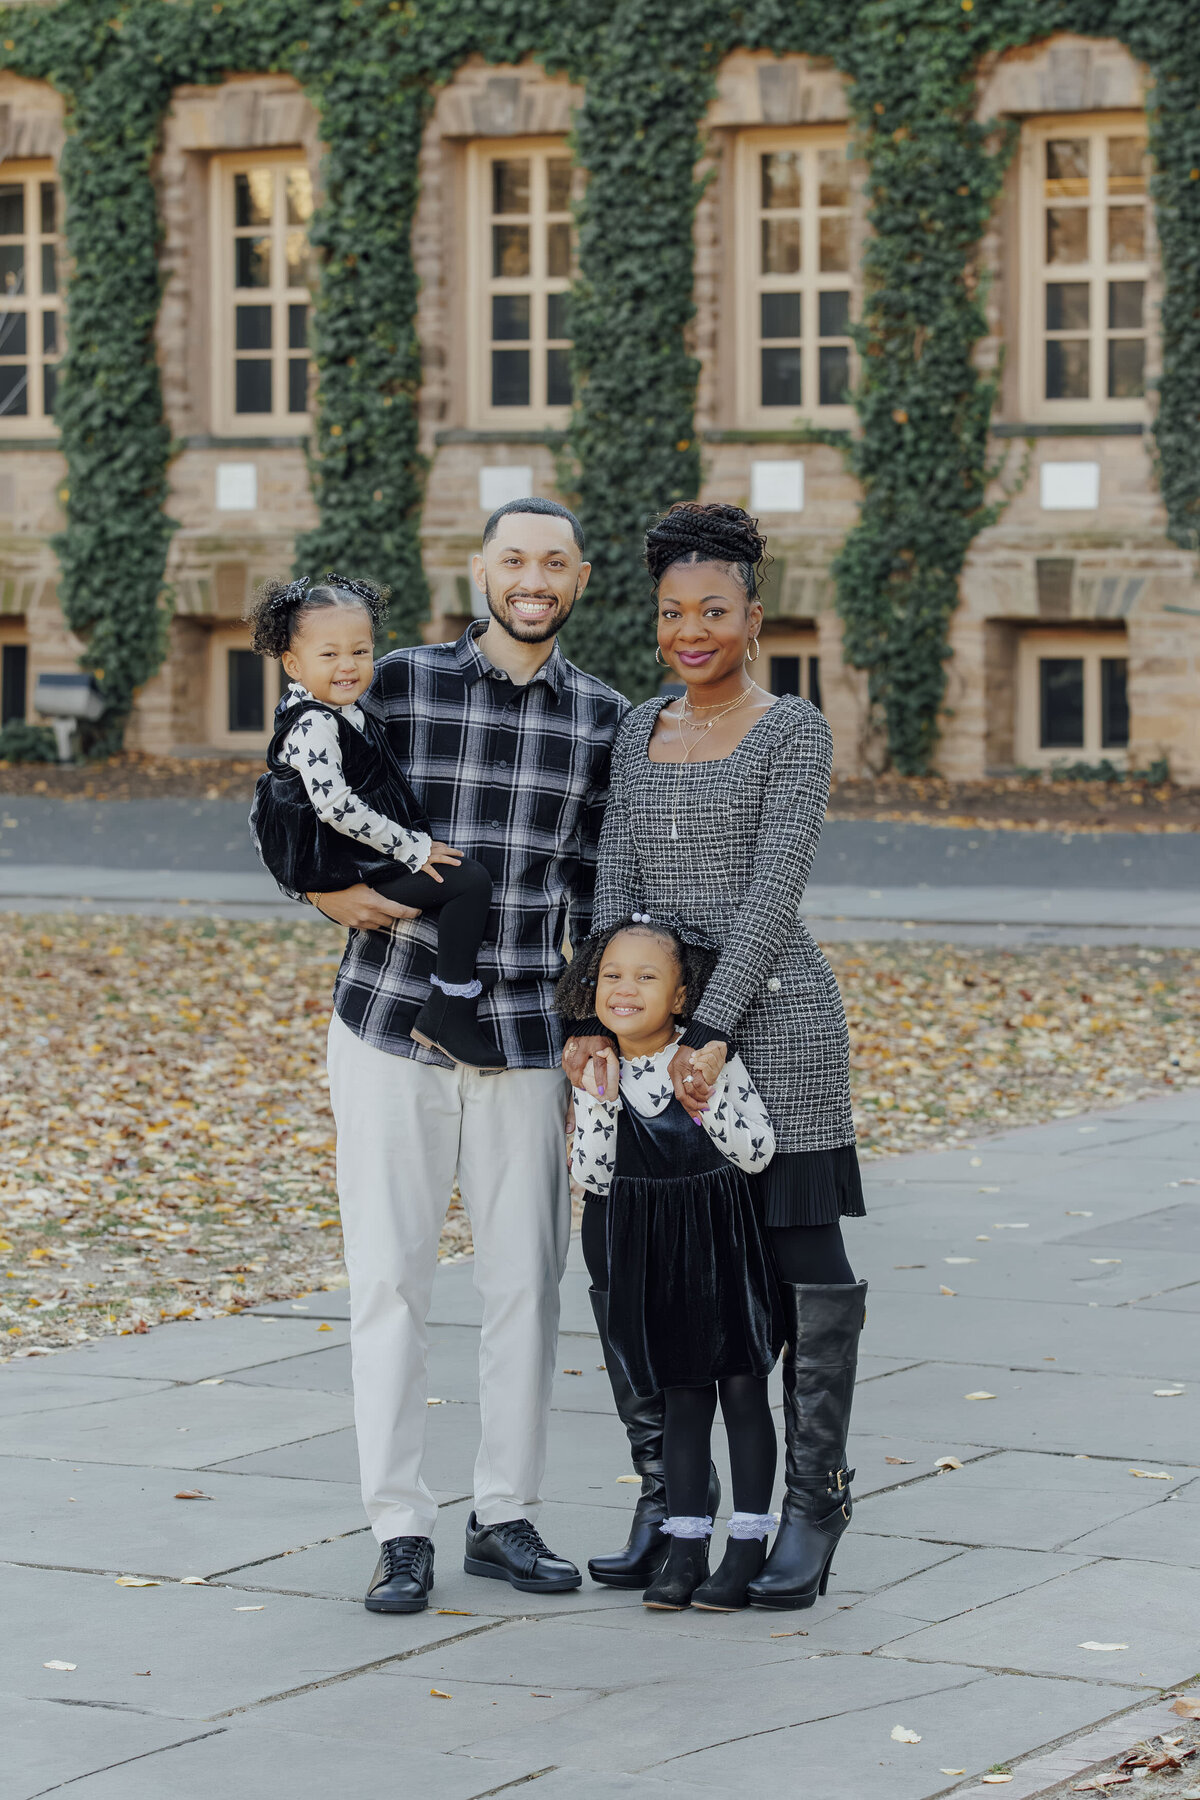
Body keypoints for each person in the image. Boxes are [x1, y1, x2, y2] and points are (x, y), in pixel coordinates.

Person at [287, 500, 628, 1614]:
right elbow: (296, 782)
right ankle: (398, 1525)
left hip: (527, 1035)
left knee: (527, 1280)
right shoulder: (393, 682)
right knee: (390, 1279)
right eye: (514, 559)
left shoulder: (602, 717)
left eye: (554, 563)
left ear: (578, 580)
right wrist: (318, 889)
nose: (533, 579)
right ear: (480, 570)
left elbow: (593, 886)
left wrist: (593, 1020)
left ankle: (506, 1514)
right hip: (388, 1020)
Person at [564, 499, 867, 1613]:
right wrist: (594, 1018)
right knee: (643, 1266)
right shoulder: (638, 731)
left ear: (754, 614)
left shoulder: (792, 732)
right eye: (671, 611)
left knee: (799, 1269)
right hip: (650, 1050)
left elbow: (772, 890)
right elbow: (616, 891)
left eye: (713, 609)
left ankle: (811, 1504)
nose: (690, 629)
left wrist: (714, 1024)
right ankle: (670, 1499)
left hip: (773, 1034)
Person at [559, 915, 783, 1611]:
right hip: (654, 1254)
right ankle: (686, 1547)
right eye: (611, 976)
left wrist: (705, 1095)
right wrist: (596, 1101)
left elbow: (756, 1152)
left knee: (743, 1391)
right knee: (681, 1400)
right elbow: (594, 1176)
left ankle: (746, 1544)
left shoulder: (704, 1059)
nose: (624, 989)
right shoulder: (597, 1068)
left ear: (682, 996)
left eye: (646, 977)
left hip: (723, 1246)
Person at [249, 574, 504, 1071]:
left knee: (464, 884)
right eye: (329, 655)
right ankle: (449, 1008)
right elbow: (335, 808)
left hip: (352, 855)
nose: (348, 666)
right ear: (293, 664)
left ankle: (451, 998)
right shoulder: (313, 724)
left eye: (360, 652)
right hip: (338, 862)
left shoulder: (339, 709)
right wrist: (413, 847)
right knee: (467, 881)